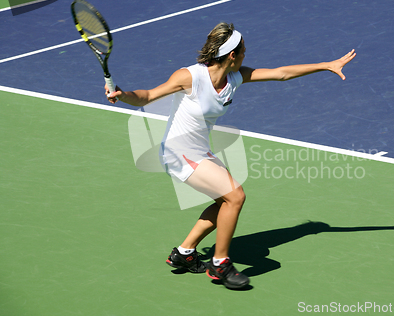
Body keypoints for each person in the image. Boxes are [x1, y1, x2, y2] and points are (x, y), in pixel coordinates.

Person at [105, 22, 356, 290]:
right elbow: (148, 96)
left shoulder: (236, 77)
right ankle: (220, 264)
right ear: (232, 55)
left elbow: (281, 73)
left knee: (224, 202)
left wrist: (327, 65)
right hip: (179, 153)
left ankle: (185, 253)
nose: (247, 55)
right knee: (235, 196)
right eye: (244, 50)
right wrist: (123, 95)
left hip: (199, 151)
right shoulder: (190, 76)